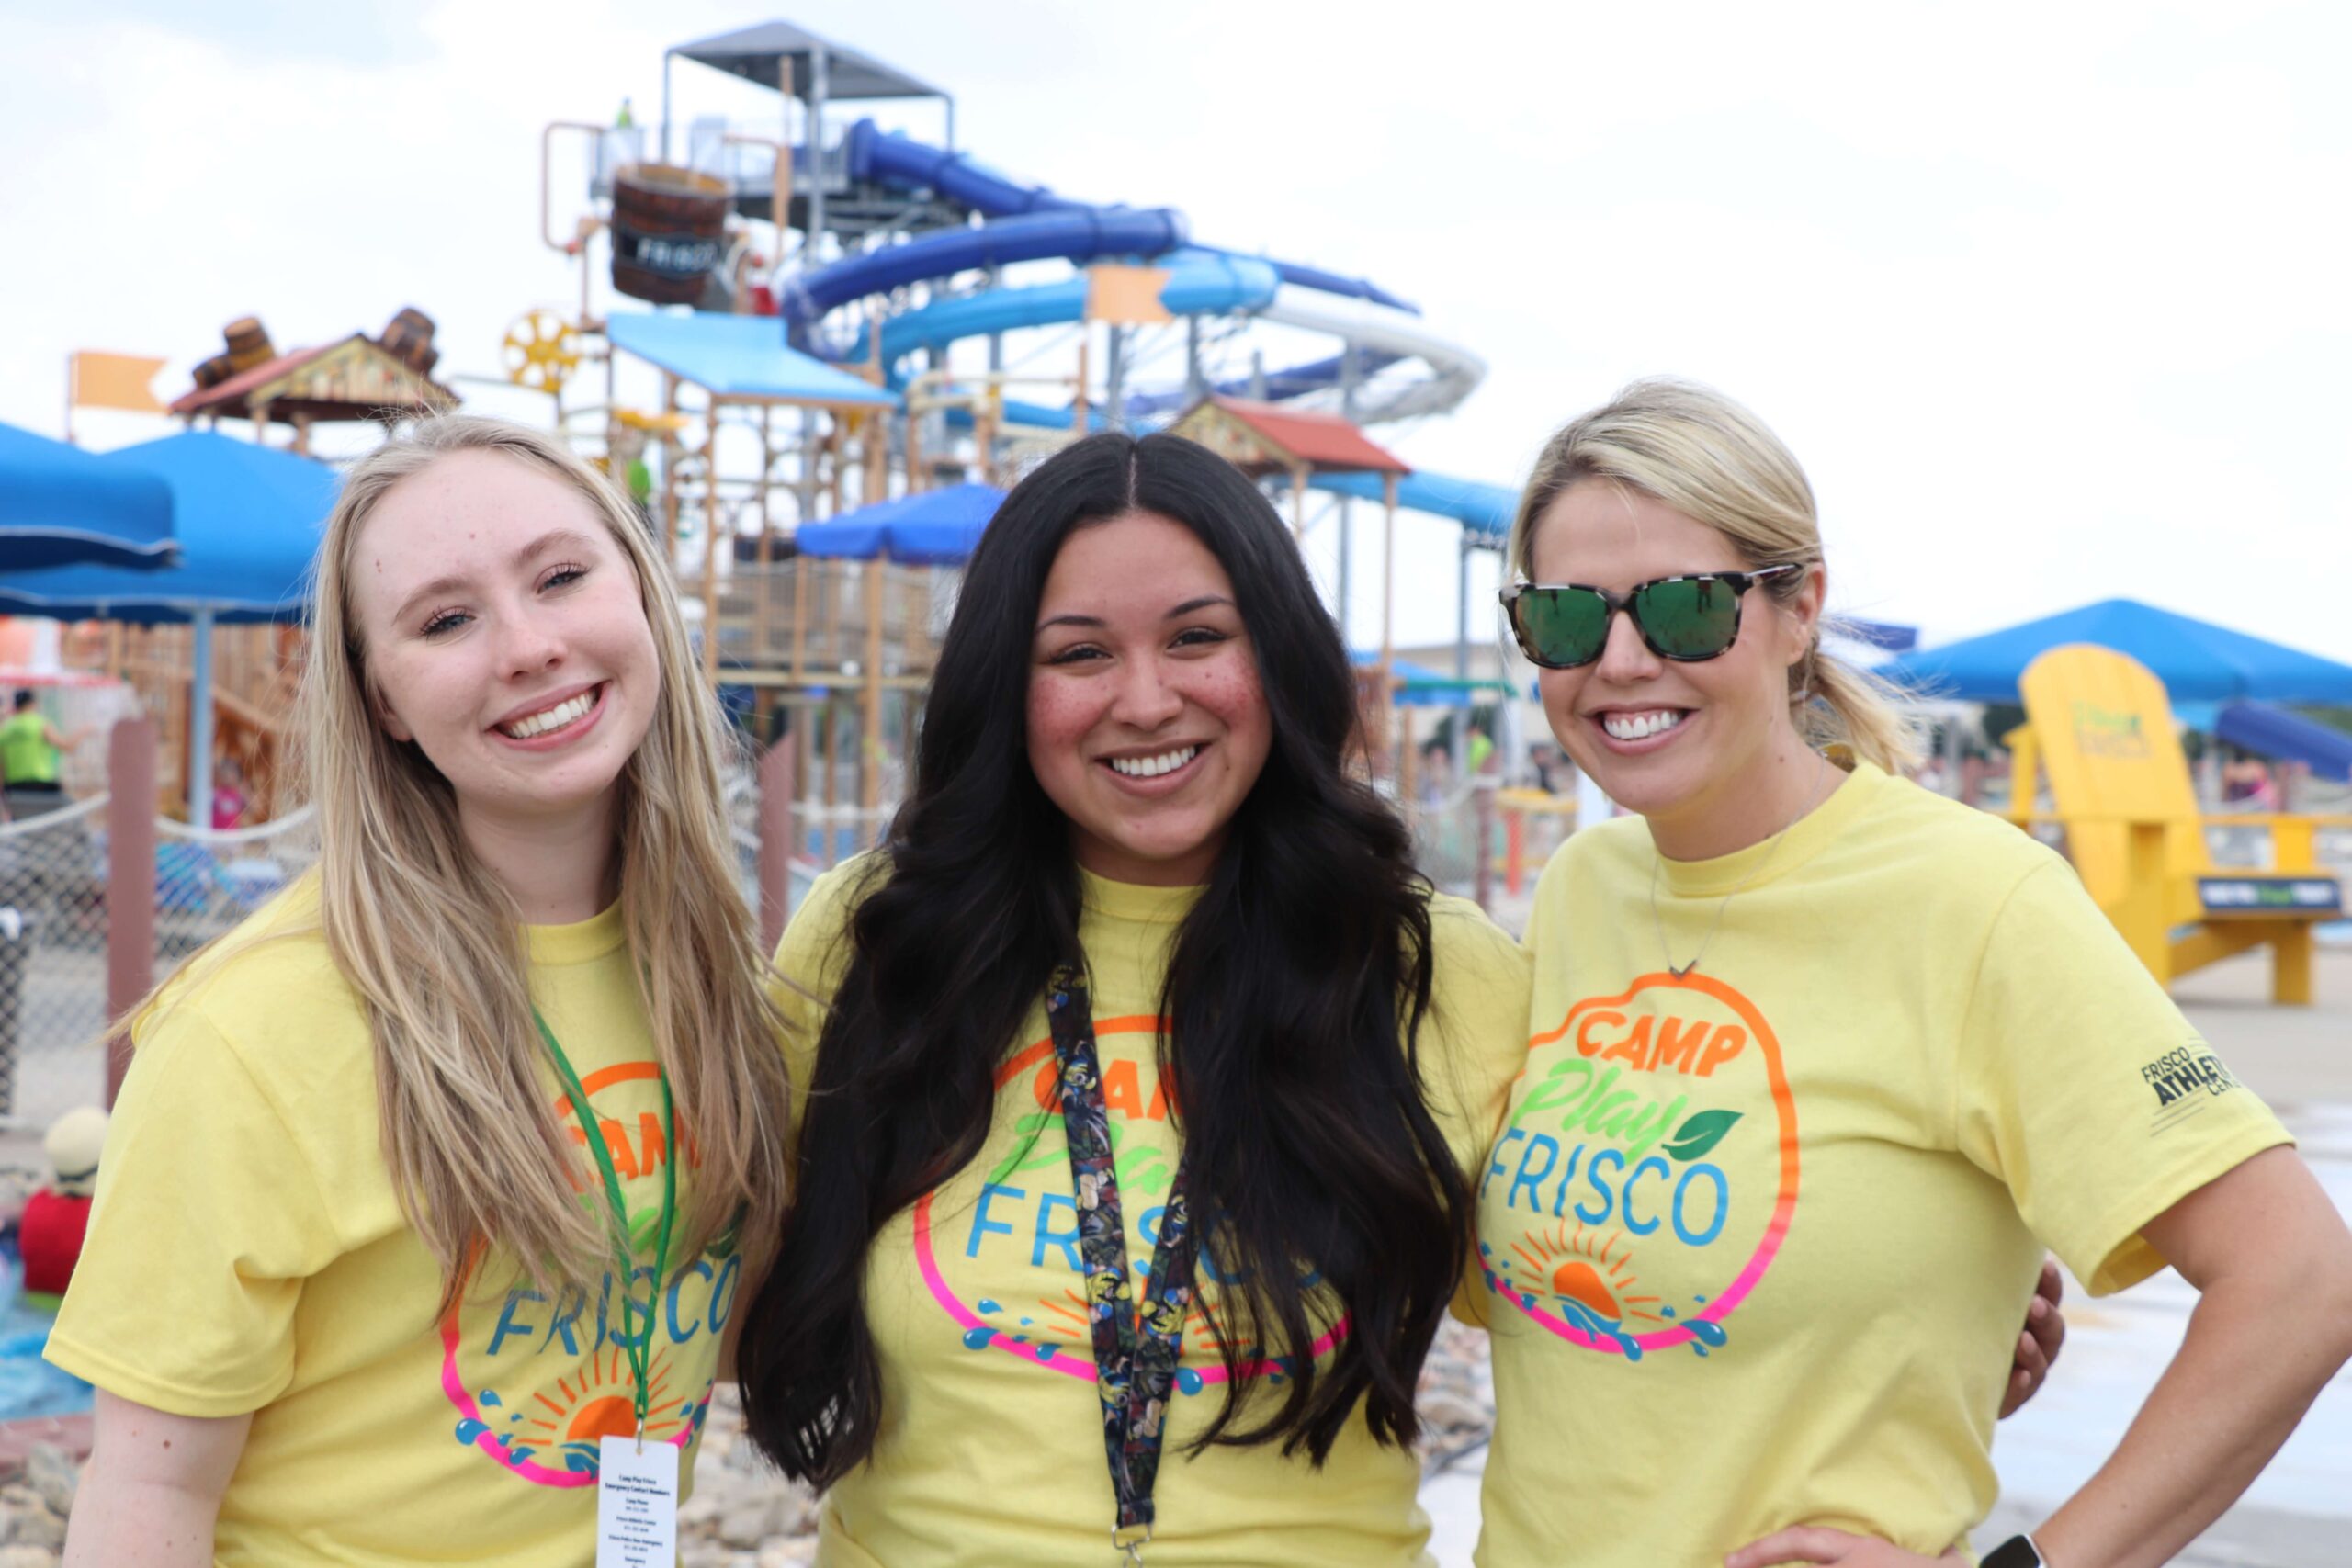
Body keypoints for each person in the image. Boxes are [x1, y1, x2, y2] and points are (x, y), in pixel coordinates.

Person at [1483, 378, 2352, 1568]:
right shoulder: (1584, 886)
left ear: (1800, 607)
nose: (1621, 659)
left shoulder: (1976, 900)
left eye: (1684, 607)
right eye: (1569, 620)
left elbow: (2302, 1276)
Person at [734, 431, 1533, 1566]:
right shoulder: (882, 939)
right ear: (1005, 687)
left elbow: (1622, 1334)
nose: (1147, 701)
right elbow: (684, 1281)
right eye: (1079, 655)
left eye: (1198, 638)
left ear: (1280, 657)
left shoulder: (1425, 967)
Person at [48, 417, 794, 1566]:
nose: (529, 645)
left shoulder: (713, 973)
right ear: (382, 699)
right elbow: (148, 1494)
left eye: (560, 576)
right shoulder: (256, 1031)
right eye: (446, 620)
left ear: (640, 593)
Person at [0, 690, 74, 815]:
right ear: (32, 704)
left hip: (14, 789)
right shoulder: (40, 724)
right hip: (42, 787)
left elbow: (2, 768)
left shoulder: (5, 730)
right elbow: (67, 747)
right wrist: (85, 731)